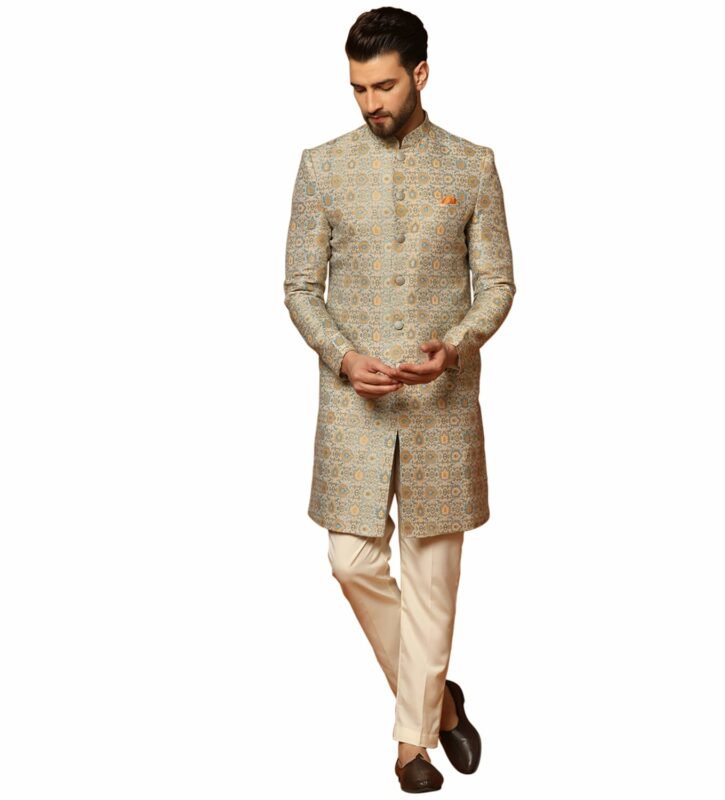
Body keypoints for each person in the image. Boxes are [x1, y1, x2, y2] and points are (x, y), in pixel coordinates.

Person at [283, 7, 515, 792]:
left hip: (441, 408)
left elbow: (499, 284)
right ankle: (441, 704)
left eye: (383, 86)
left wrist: (457, 343)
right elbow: (299, 287)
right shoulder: (322, 166)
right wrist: (344, 356)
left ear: (420, 74)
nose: (370, 103)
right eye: (357, 88)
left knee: (433, 584)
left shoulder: (472, 166)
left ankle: (411, 745)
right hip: (354, 406)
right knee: (350, 563)